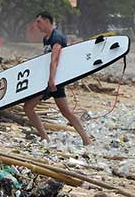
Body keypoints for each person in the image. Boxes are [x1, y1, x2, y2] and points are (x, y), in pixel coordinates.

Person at [23, 12, 91, 145]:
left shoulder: (57, 37)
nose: (37, 25)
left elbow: (55, 60)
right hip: (50, 80)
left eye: (39, 22)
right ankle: (85, 140)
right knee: (66, 112)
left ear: (47, 21)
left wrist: (51, 80)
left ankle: (47, 137)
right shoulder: (46, 39)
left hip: (53, 81)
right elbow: (45, 60)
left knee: (28, 108)